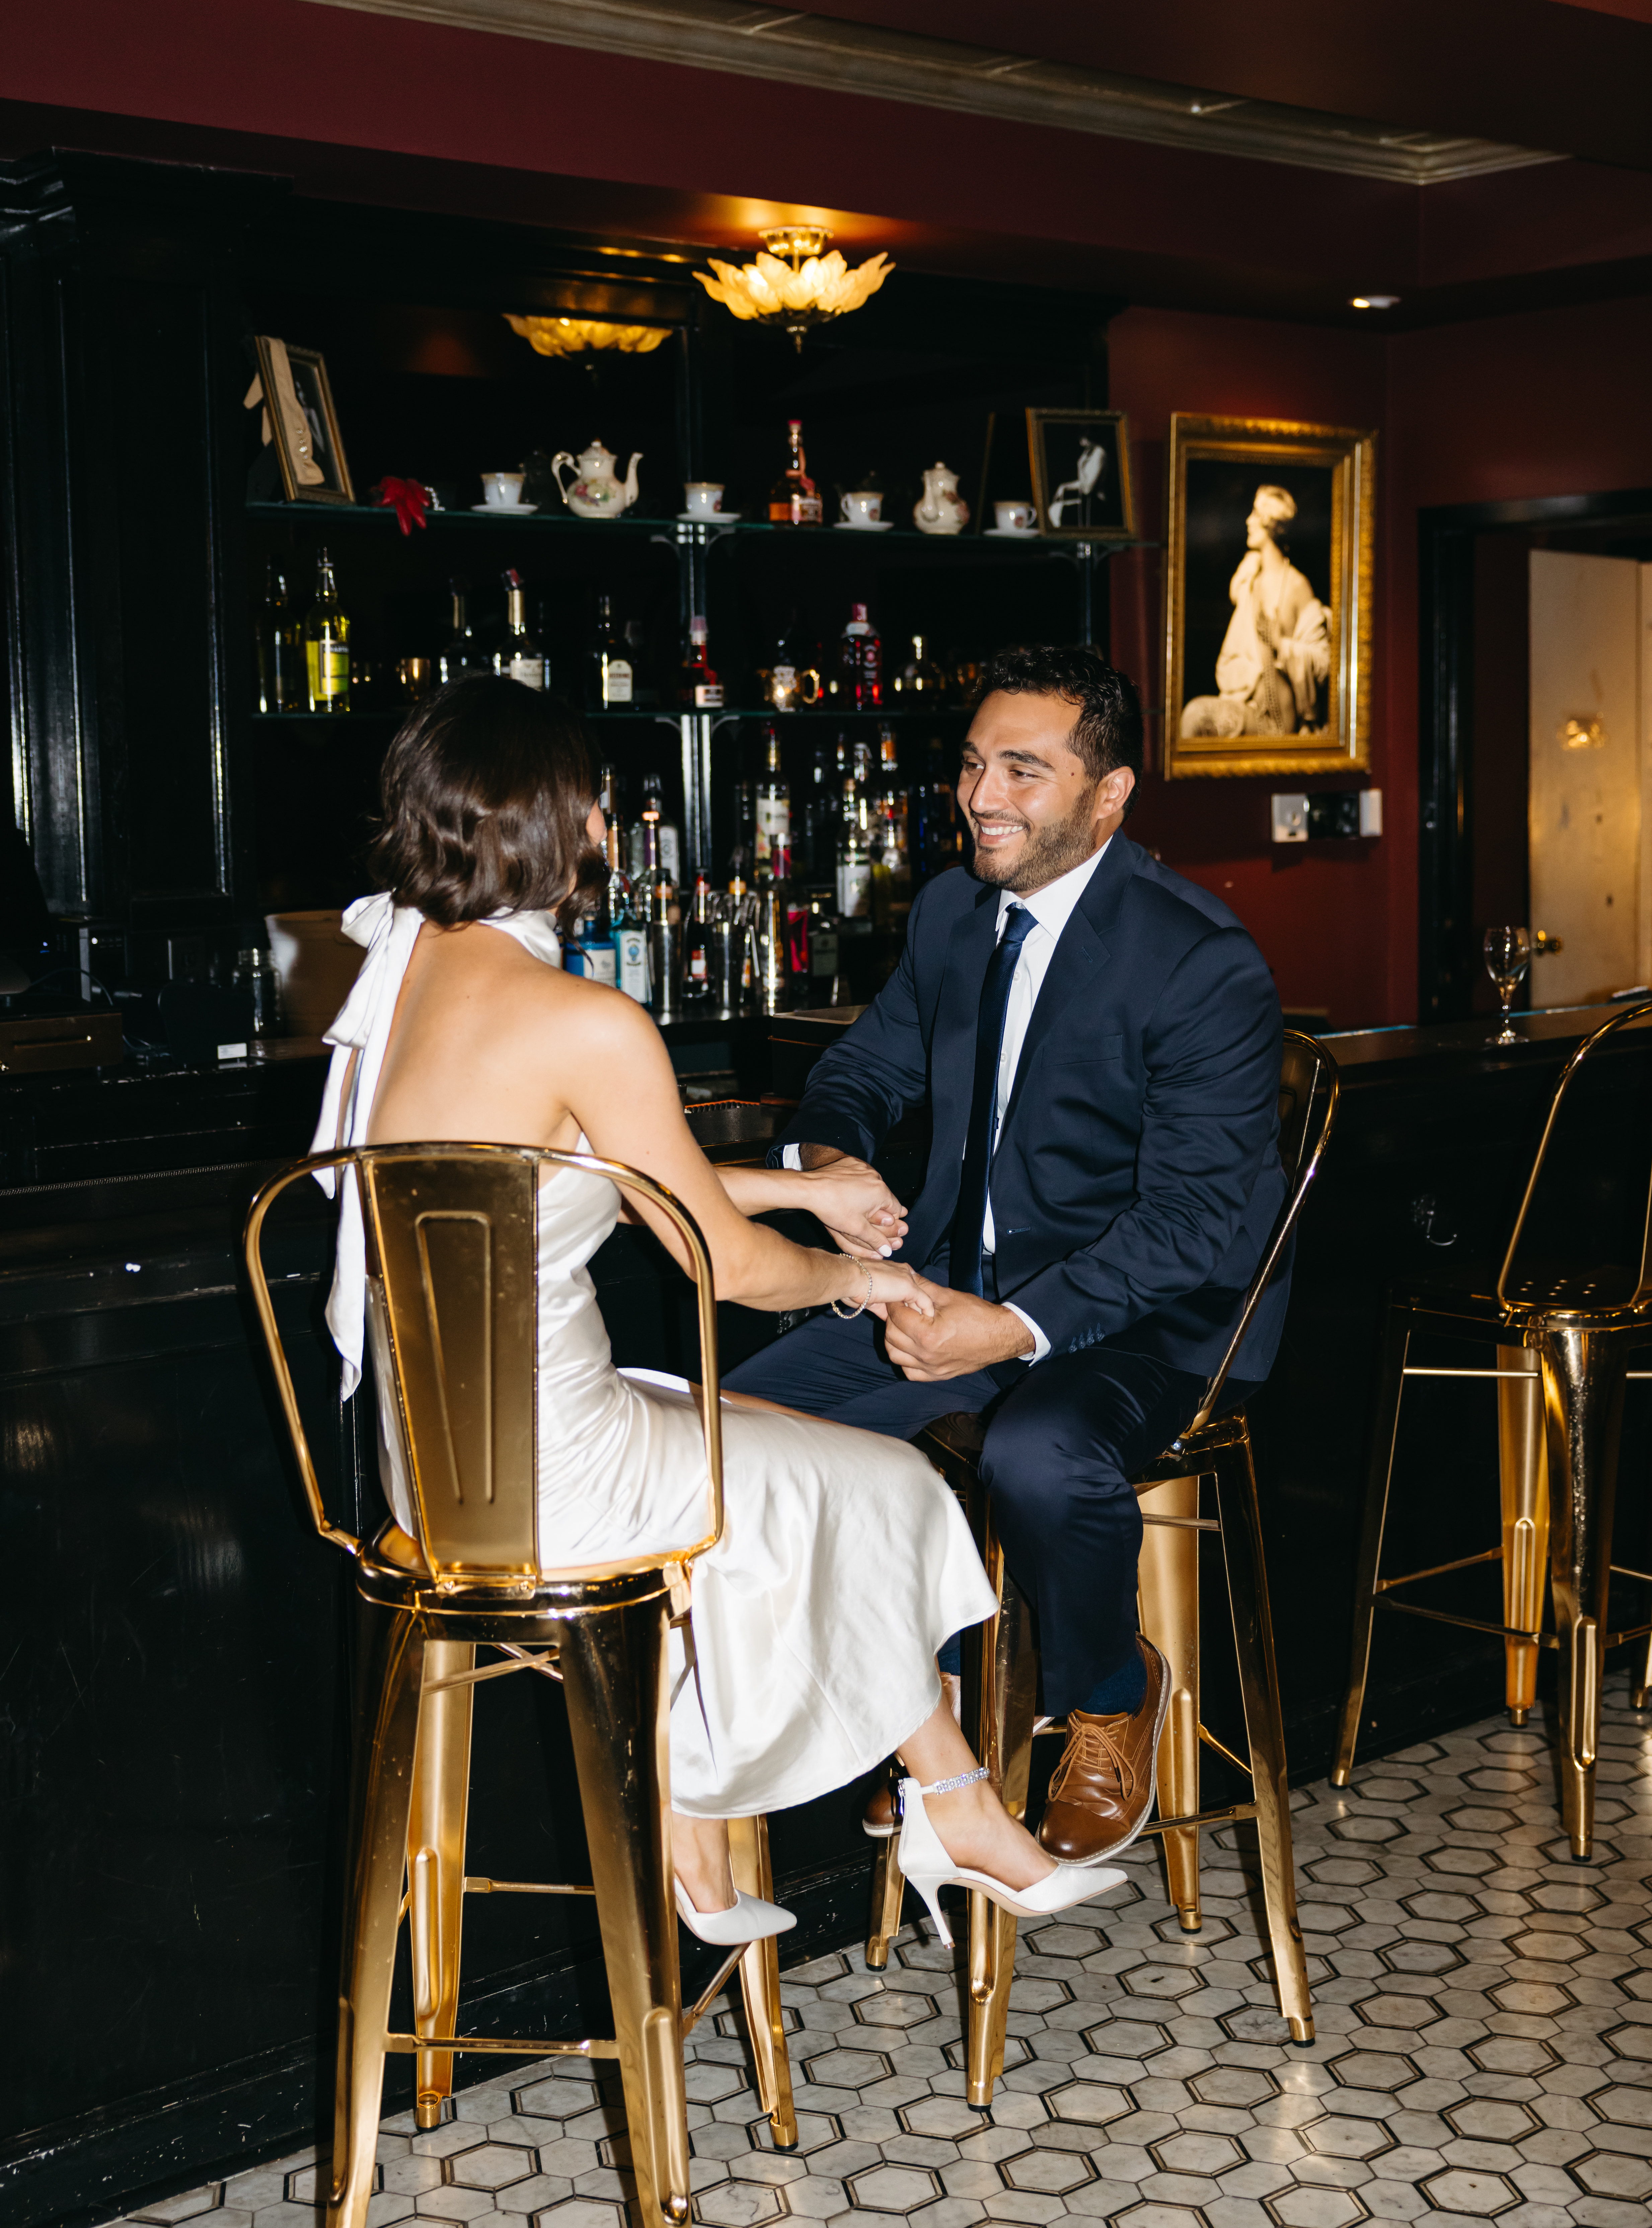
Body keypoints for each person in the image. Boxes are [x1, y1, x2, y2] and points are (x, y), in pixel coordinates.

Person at [312, 677, 1125, 1947]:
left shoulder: (398, 975)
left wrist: (801, 1186)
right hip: (560, 1475)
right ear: (565, 820)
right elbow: (723, 1267)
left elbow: (586, 1167)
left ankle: (717, 1837)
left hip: (437, 1472)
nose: (603, 828)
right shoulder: (588, 1015)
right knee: (881, 1479)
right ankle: (945, 1803)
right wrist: (866, 1274)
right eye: (593, 806)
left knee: (748, 1438)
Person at [726, 647, 1289, 1865]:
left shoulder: (1198, 961)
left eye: (1022, 771)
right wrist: (832, 1166)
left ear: (1108, 794)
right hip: (953, 1291)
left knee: (1038, 1448)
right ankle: (916, 1711)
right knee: (739, 1433)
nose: (982, 795)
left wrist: (1016, 1326)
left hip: (1159, 1318)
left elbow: (1191, 1224)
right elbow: (862, 1070)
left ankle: (1104, 1689)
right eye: (975, 765)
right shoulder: (948, 911)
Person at [1180, 483, 1331, 740]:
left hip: (1273, 715)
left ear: (1269, 523)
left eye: (1254, 514)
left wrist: (1280, 644)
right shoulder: (1250, 579)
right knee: (1195, 717)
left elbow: (1322, 659)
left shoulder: (1295, 585)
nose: (1248, 521)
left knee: (1196, 715)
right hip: (1243, 699)